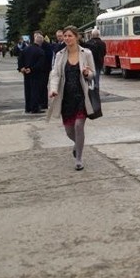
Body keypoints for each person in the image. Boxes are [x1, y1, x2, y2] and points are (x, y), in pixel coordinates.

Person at [47, 26, 96, 171]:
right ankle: (78, 144)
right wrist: (53, 89)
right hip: (66, 97)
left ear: (77, 37)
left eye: (69, 36)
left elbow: (93, 73)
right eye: (65, 36)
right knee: (69, 131)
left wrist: (88, 73)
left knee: (79, 126)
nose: (67, 38)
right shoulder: (60, 54)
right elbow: (55, 74)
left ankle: (79, 159)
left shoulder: (86, 53)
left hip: (82, 95)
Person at [17, 35, 46, 113]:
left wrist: (21, 68)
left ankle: (28, 107)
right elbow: (40, 64)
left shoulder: (26, 49)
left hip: (26, 73)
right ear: (41, 42)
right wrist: (32, 69)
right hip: (36, 73)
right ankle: (35, 108)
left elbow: (20, 59)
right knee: (35, 91)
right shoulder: (40, 51)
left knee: (28, 90)